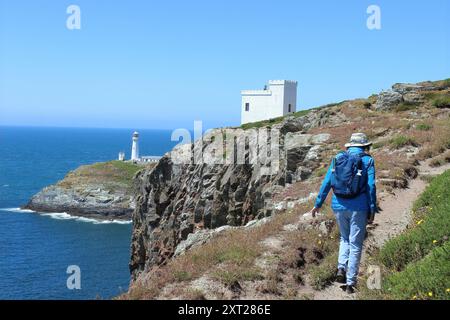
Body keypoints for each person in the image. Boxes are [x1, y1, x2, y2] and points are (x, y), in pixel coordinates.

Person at [311, 133, 377, 294]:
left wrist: (317, 204)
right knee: (355, 243)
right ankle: (350, 283)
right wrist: (372, 209)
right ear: (364, 146)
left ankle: (341, 267)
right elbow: (371, 187)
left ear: (349, 146)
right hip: (359, 207)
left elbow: (327, 182)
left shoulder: (338, 158)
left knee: (344, 238)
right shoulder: (368, 161)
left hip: (338, 204)